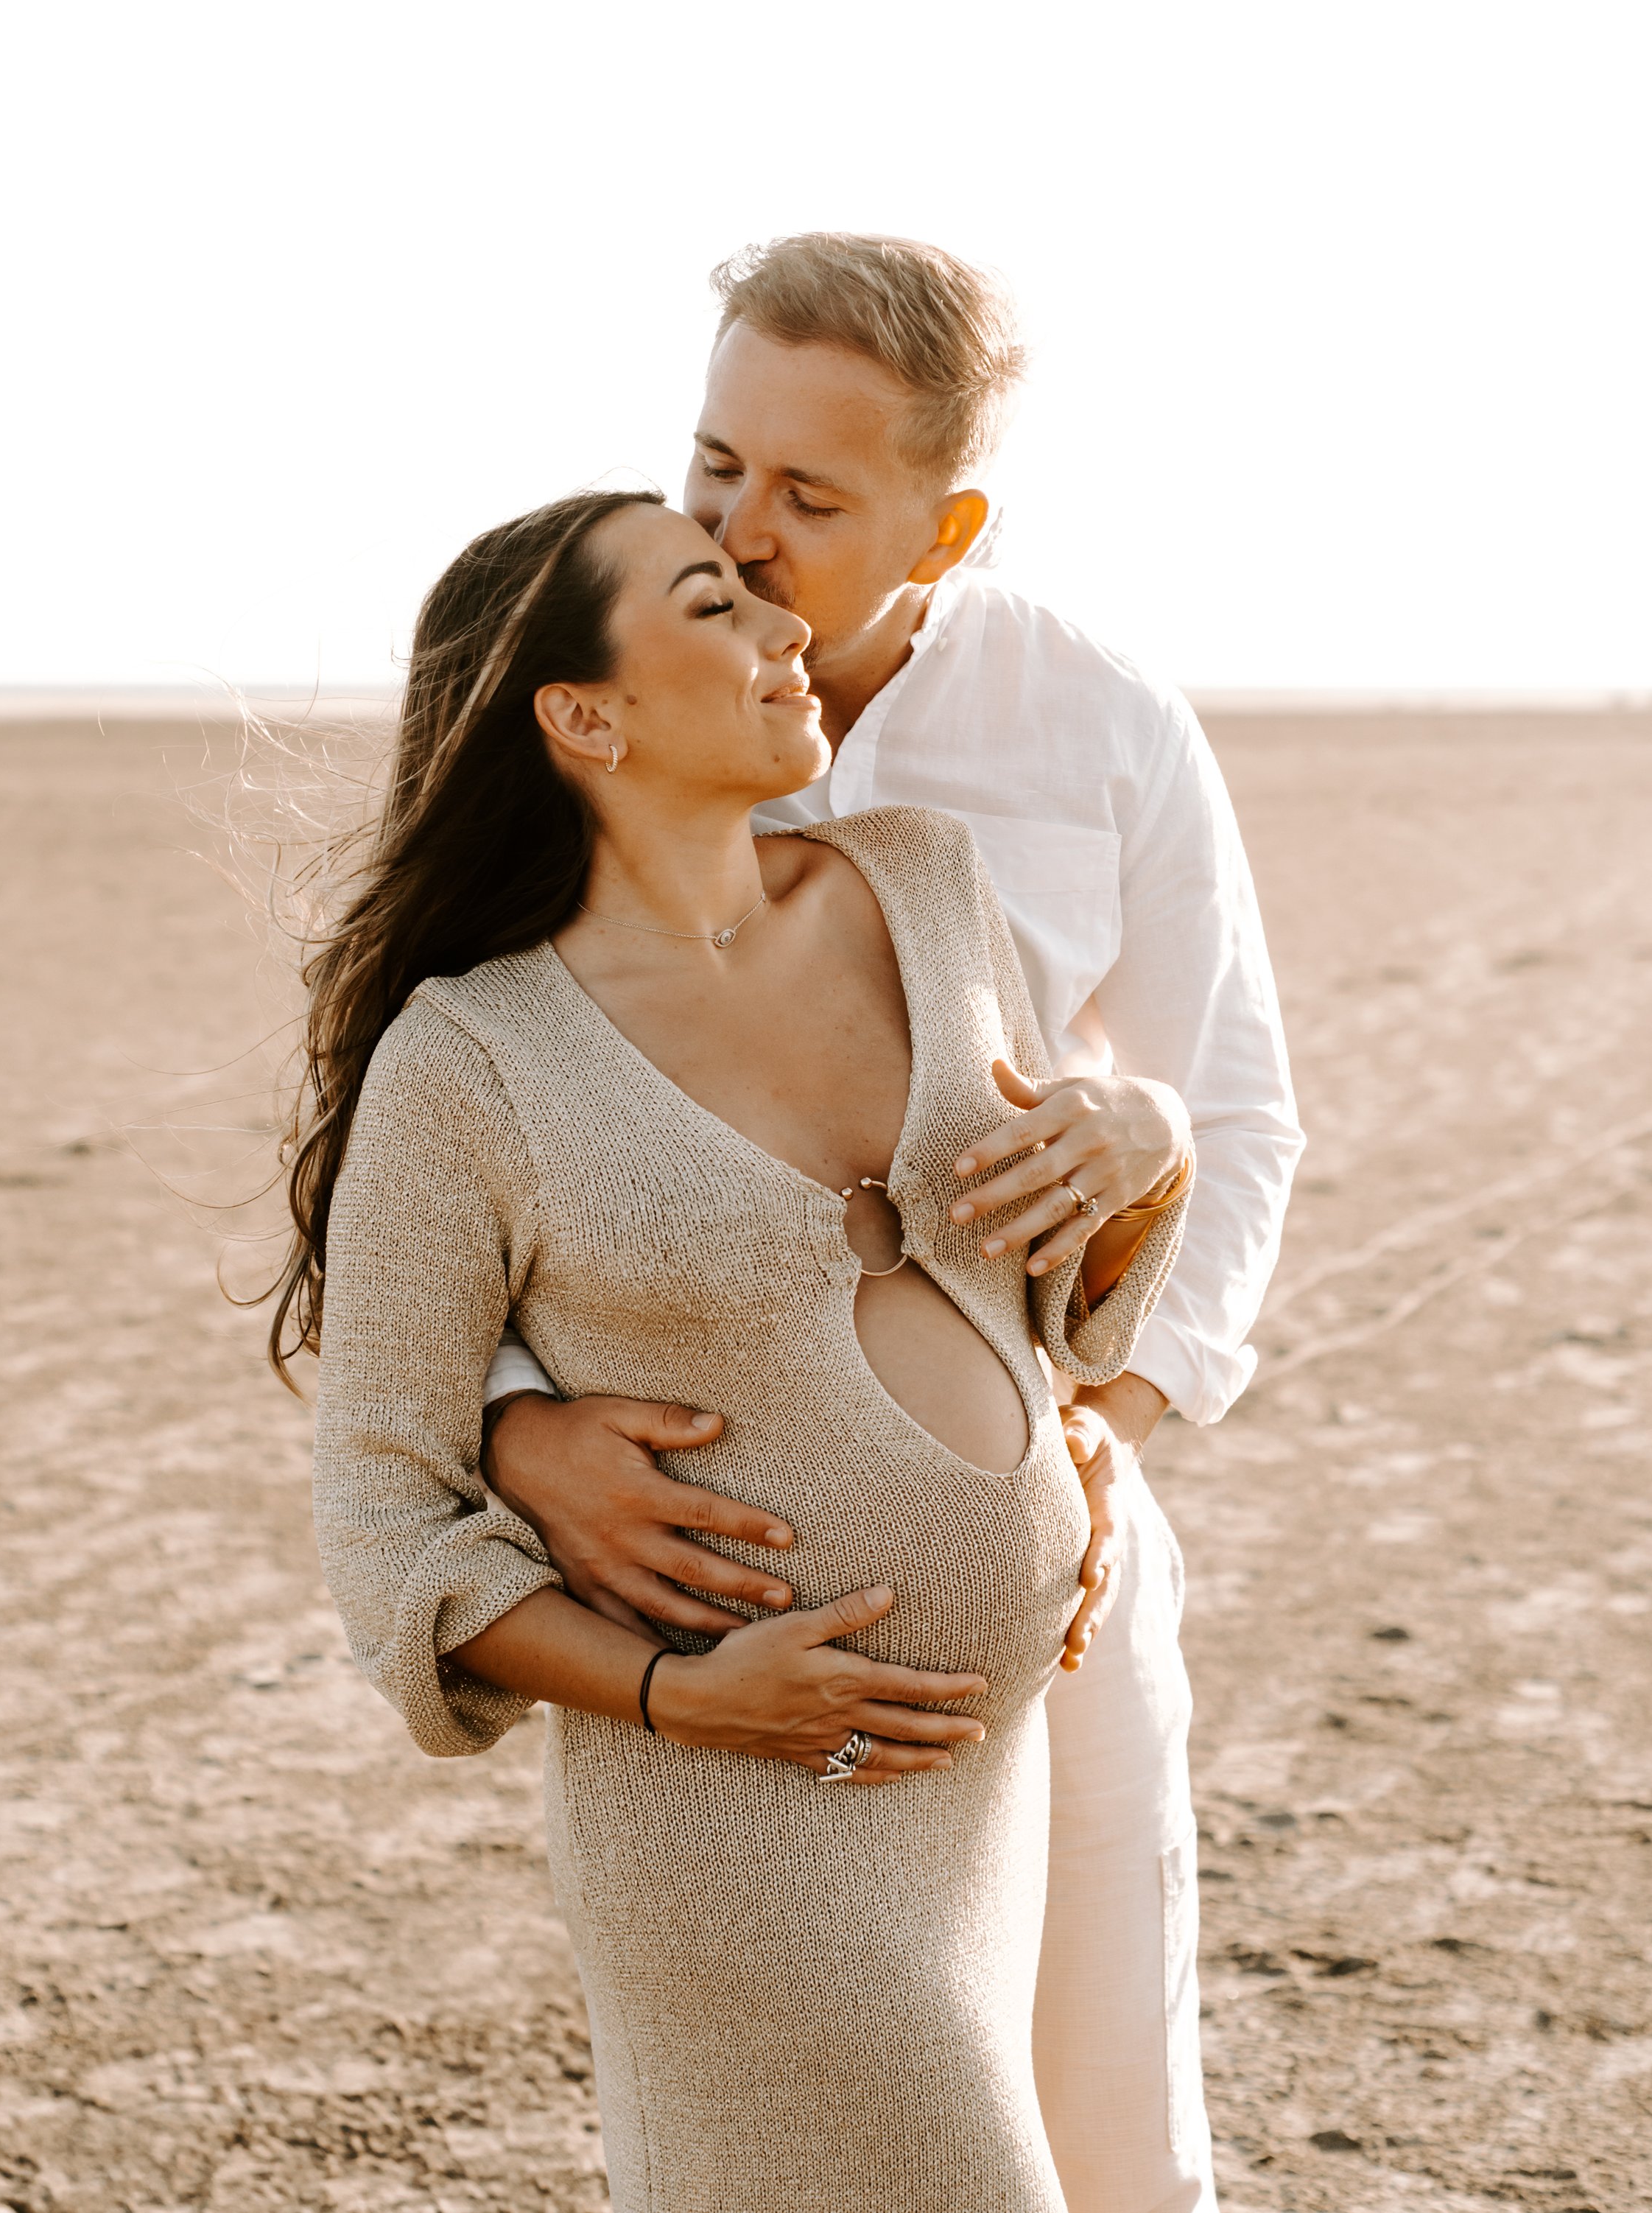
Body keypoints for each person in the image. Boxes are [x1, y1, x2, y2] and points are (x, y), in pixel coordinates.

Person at [481, 236, 1304, 2213]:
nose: (739, 532)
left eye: (808, 496)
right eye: (710, 466)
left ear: (949, 522)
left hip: (1054, 1567)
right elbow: (438, 1129)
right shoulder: (571, 694)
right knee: (757, 2151)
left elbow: (1236, 1103)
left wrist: (1118, 1413)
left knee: (1110, 2144)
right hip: (701, 1583)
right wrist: (527, 1432)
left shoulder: (1096, 725)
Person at [295, 486, 1195, 2213]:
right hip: (724, 1803)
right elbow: (379, 1500)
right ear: (582, 712)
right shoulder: (469, 1060)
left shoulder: (923, 884)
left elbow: (1043, 1291)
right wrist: (674, 1691)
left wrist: (1135, 1136)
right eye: (716, 603)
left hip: (967, 1788)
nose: (788, 629)